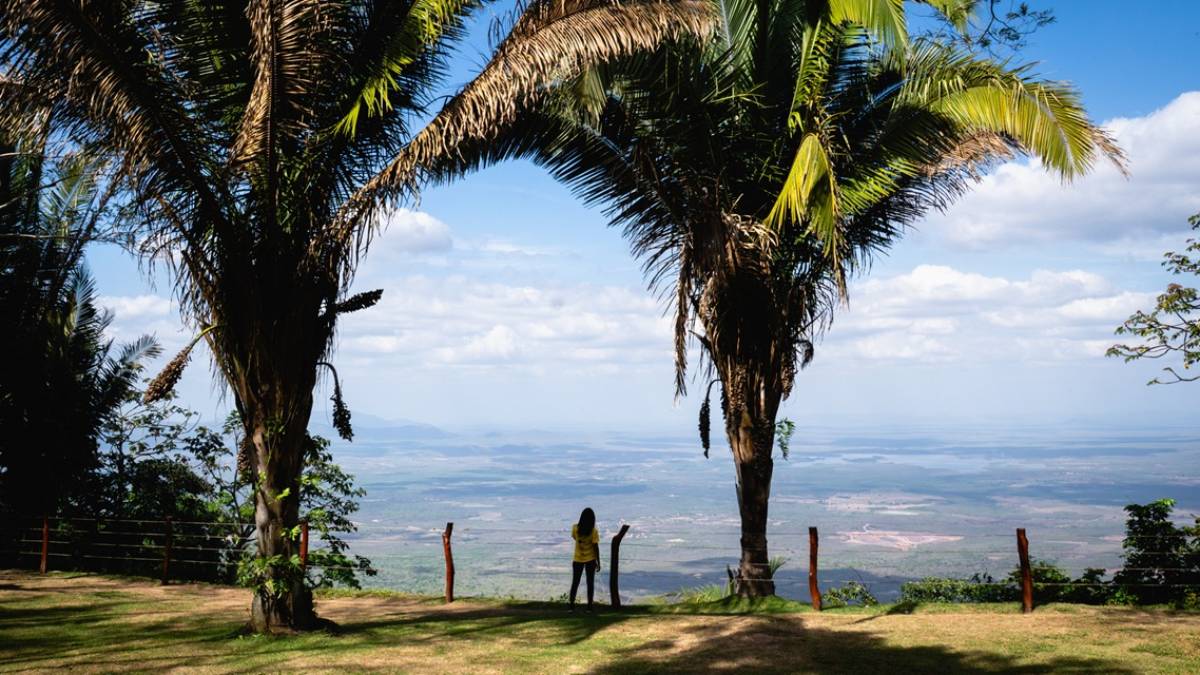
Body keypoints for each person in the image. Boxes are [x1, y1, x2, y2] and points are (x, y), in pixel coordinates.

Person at [569, 507, 601, 611]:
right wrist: (598, 562)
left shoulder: (575, 529)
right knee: (590, 583)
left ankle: (571, 606)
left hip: (577, 559)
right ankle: (589, 607)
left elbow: (574, 538)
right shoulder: (593, 532)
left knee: (575, 582)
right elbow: (596, 547)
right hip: (591, 559)